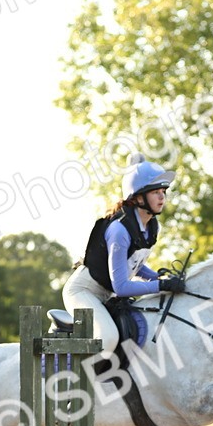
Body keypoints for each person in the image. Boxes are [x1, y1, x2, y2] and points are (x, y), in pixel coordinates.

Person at [62, 153, 185, 358]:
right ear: (137, 197)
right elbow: (121, 286)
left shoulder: (152, 226)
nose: (162, 196)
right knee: (108, 338)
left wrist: (159, 277)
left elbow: (134, 266)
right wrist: (160, 286)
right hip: (83, 292)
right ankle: (80, 383)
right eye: (155, 192)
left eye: (163, 191)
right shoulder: (119, 230)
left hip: (106, 295)